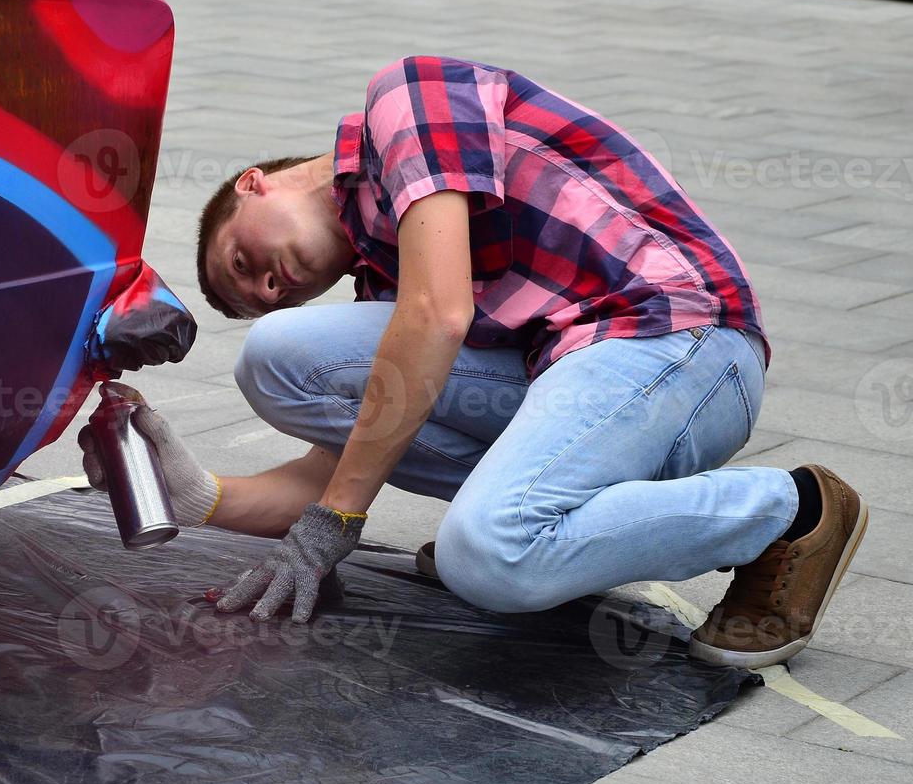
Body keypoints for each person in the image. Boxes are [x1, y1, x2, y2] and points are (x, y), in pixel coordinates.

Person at [78, 55, 867, 668]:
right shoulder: (386, 280)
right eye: (263, 294)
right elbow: (337, 475)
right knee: (308, 367)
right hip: (571, 366)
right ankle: (546, 519)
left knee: (480, 550)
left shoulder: (407, 97)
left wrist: (334, 528)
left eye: (242, 262)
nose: (269, 287)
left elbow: (438, 317)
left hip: (674, 337)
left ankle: (790, 513)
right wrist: (191, 494)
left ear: (253, 185)